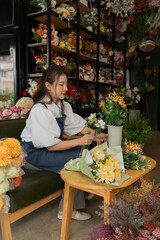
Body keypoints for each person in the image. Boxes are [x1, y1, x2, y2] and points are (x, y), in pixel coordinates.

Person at [21, 65, 108, 221]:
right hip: (33, 154)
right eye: (61, 84)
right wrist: (79, 141)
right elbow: (50, 145)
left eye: (66, 84)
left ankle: (81, 189)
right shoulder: (39, 110)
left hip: (48, 148)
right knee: (79, 159)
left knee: (84, 149)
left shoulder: (62, 106)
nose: (66, 88)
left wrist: (101, 136)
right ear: (48, 86)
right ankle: (66, 210)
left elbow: (80, 128)